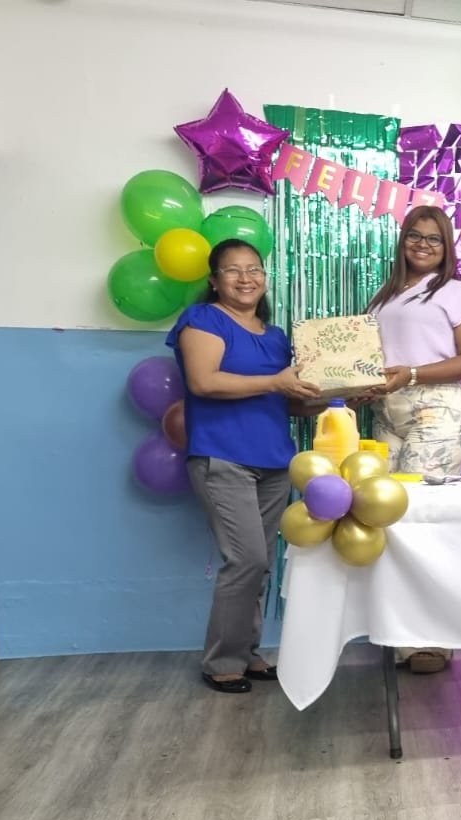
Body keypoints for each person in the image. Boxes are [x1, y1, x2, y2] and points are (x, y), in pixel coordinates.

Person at [169, 239, 320, 694]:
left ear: (265, 278)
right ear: (214, 281)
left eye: (254, 268)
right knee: (246, 559)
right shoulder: (203, 319)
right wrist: (275, 382)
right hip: (222, 456)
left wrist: (344, 395)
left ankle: (245, 652)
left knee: (261, 564)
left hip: (274, 460)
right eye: (232, 270)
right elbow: (204, 382)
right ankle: (221, 661)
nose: (245, 277)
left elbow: (290, 402)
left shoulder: (276, 336)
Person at [365, 205, 461, 674]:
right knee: (388, 518)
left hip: (436, 408)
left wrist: (411, 374)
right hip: (387, 411)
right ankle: (400, 631)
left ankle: (432, 640)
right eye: (414, 236)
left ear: (446, 246)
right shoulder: (384, 297)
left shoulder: (454, 292)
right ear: (403, 241)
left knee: (422, 519)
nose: (422, 244)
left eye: (433, 238)